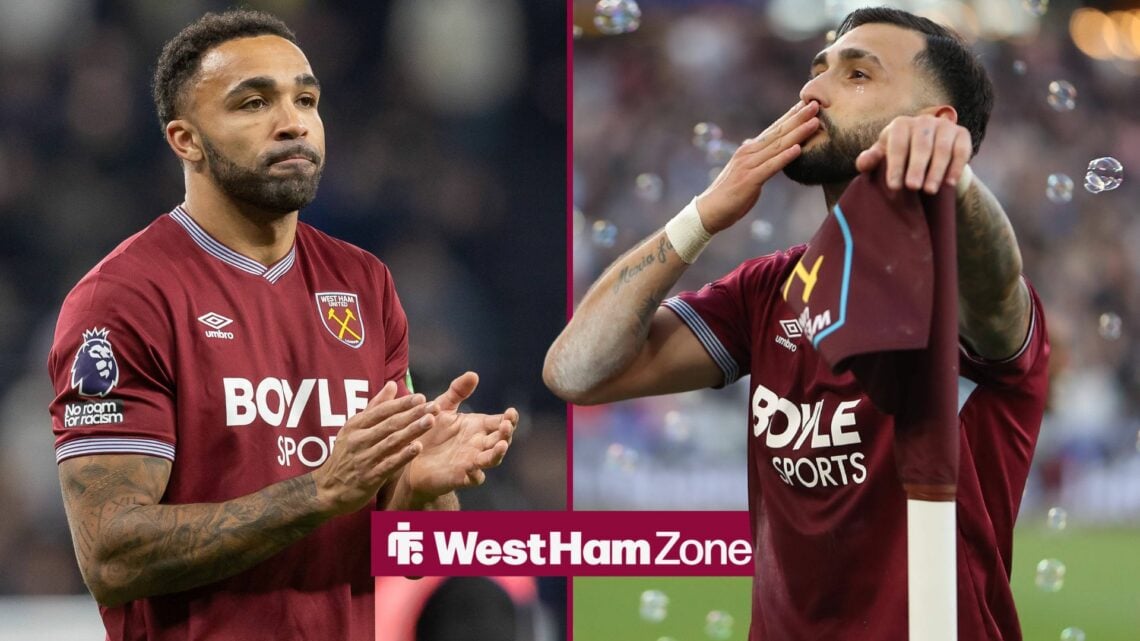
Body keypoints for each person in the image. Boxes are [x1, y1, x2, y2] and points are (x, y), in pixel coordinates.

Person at [547, 7, 1047, 640]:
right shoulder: (769, 290)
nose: (812, 90)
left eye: (858, 74)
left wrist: (959, 183)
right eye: (817, 71)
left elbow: (996, 288)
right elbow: (574, 371)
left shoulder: (959, 289)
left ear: (934, 124)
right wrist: (702, 215)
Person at [47, 10, 517, 640]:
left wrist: (420, 488)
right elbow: (111, 554)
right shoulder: (124, 298)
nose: (293, 122)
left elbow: (413, 554)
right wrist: (320, 491)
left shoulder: (363, 282)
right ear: (185, 140)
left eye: (305, 98)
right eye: (253, 103)